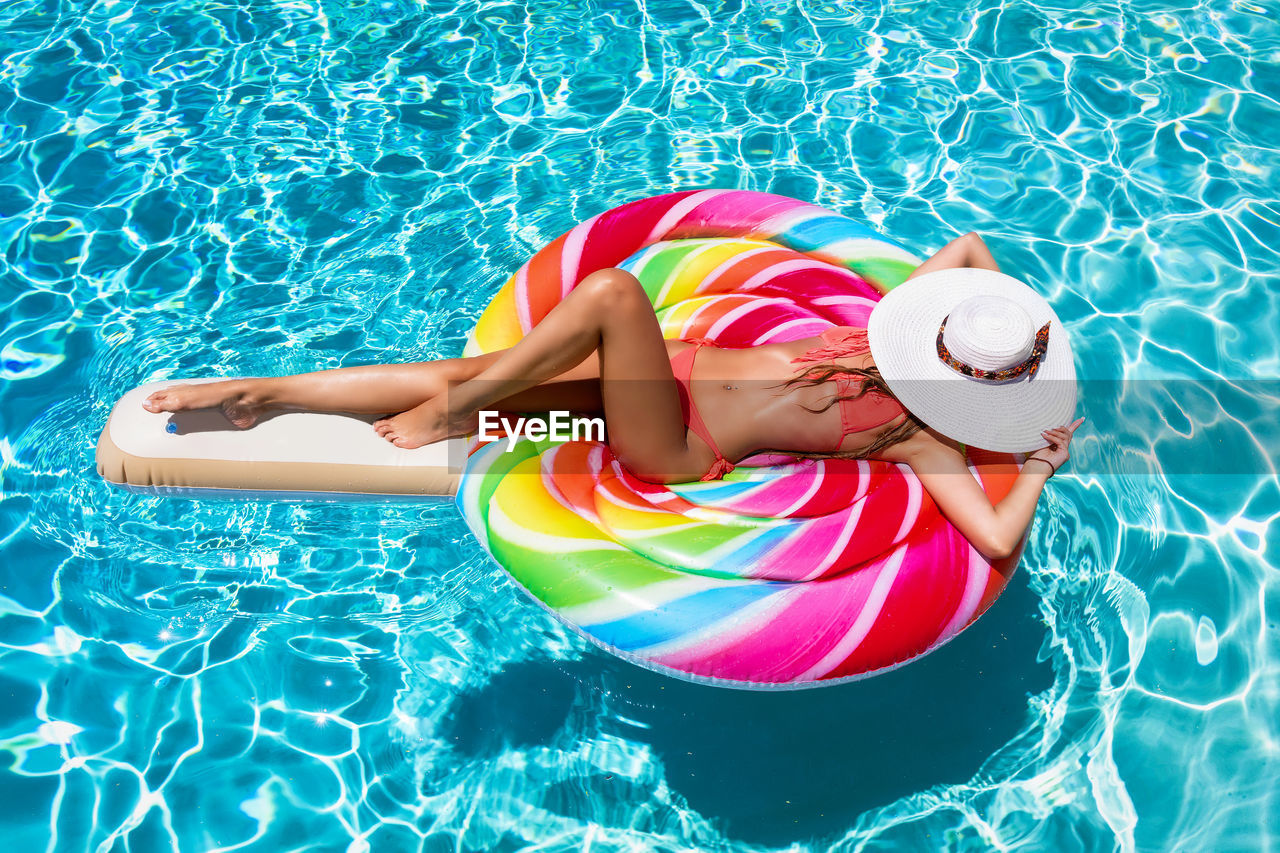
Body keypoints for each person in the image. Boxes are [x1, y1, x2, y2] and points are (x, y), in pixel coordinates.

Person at [142, 232, 1083, 561]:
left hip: (674, 436)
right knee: (466, 377)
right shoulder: (887, 331)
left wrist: (1034, 463)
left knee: (608, 296)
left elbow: (993, 537)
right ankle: (265, 397)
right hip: (673, 367)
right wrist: (1012, 341)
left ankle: (438, 418)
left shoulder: (926, 441)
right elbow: (964, 249)